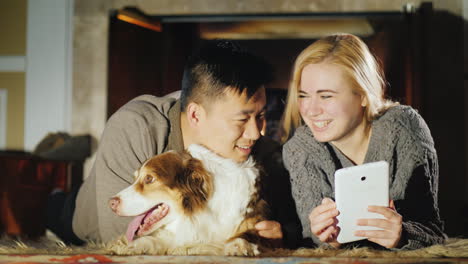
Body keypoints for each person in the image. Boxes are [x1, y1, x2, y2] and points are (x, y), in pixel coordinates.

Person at [47, 39, 300, 247]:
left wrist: (282, 234)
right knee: (51, 210)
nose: (256, 132)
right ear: (195, 116)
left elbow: (295, 220)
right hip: (82, 220)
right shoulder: (138, 126)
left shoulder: (254, 145)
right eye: (242, 119)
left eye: (261, 115)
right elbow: (122, 241)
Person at [280, 33, 446, 250]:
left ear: (364, 95)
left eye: (326, 96)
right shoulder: (300, 148)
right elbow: (313, 241)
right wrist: (328, 240)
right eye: (303, 95)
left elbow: (433, 232)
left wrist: (403, 235)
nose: (310, 111)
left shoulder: (403, 127)